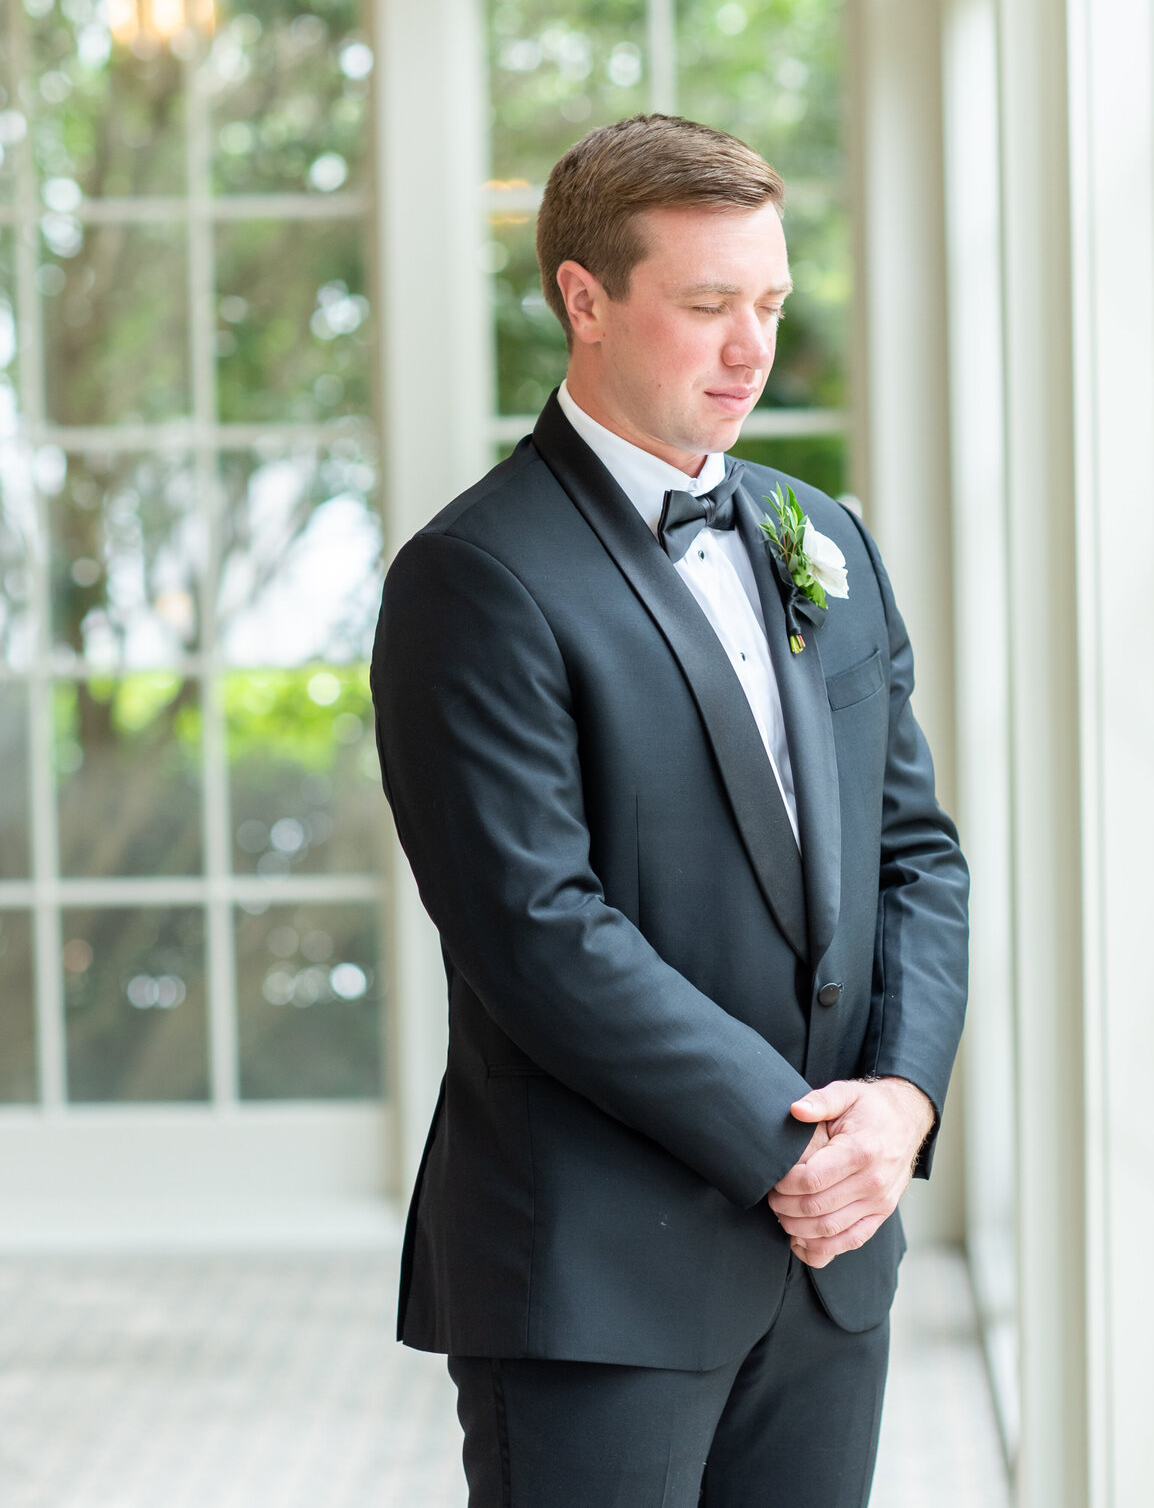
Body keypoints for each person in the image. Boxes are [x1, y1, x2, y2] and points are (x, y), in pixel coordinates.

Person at [370, 114, 969, 1507]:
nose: (751, 349)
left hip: (828, 1275)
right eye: (707, 306)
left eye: (768, 302)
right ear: (585, 298)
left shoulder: (825, 536)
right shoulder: (472, 576)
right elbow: (536, 930)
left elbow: (915, 854)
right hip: (598, 1280)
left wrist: (898, 1101)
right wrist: (798, 1144)